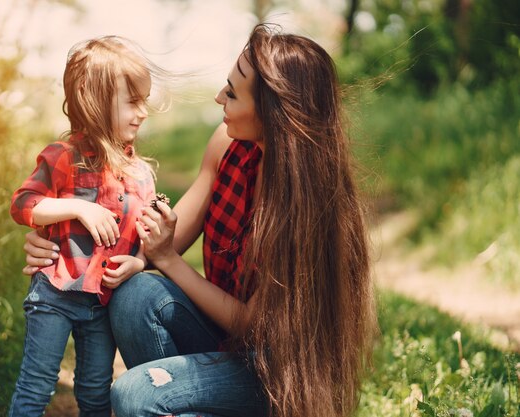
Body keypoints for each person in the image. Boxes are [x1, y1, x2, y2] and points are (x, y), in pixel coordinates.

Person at [23, 24, 377, 417]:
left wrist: (172, 264)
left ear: (274, 111)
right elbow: (155, 245)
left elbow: (253, 324)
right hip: (222, 343)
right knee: (134, 294)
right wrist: (63, 240)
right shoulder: (227, 146)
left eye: (233, 92)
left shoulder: (310, 205)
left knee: (135, 395)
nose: (218, 96)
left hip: (277, 377)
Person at [8, 36, 158, 417]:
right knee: (37, 385)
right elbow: (24, 203)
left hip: (102, 304)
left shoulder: (141, 174)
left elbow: (146, 237)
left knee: (94, 392)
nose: (142, 112)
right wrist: (77, 208)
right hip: (55, 293)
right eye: (133, 101)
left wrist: (139, 261)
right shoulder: (63, 158)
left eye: (144, 101)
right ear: (95, 101)